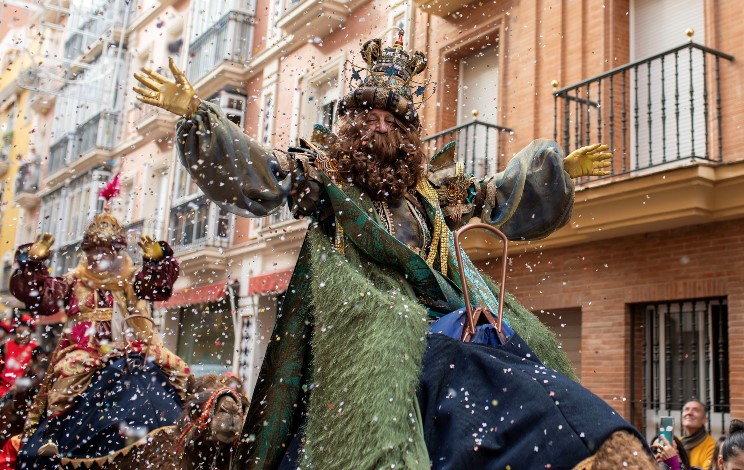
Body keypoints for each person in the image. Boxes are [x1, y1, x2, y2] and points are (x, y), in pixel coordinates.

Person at [134, 32, 654, 469]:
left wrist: (558, 174)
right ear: (351, 124)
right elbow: (263, 170)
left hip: (448, 323)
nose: (380, 125)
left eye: (393, 118)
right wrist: (199, 116)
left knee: (522, 355)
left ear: (408, 132)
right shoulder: (325, 179)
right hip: (365, 331)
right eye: (368, 115)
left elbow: (495, 194)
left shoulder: (432, 190)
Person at [9, 182, 191, 463]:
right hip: (83, 350)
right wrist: (34, 263)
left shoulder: (130, 281)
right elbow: (39, 296)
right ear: (88, 254)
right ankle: (53, 439)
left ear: (119, 254)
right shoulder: (74, 280)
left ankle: (182, 433)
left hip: (132, 346)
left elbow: (155, 287)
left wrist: (157, 263)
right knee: (69, 376)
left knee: (175, 368)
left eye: (108, 252)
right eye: (96, 252)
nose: (101, 258)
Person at [0, 314, 42, 397]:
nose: (21, 328)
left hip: (22, 391)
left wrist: (24, 385)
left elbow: (39, 373)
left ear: (31, 330)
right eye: (19, 325)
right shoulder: (6, 346)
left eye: (24, 325)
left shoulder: (36, 349)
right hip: (2, 389)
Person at [682, 400, 718, 468]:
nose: (689, 413)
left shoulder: (712, 445)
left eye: (695, 410)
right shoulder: (676, 442)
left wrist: (676, 461)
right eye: (686, 409)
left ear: (705, 420)